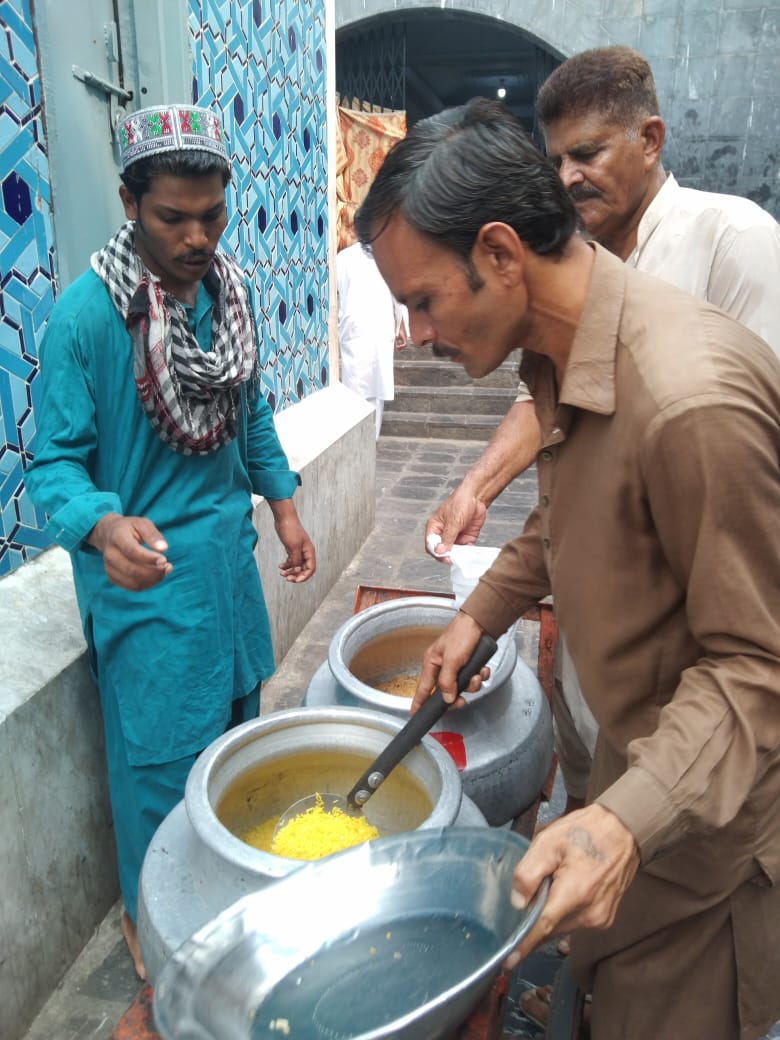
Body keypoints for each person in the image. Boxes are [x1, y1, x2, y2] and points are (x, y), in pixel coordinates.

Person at [354, 97, 780, 1040]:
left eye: (424, 300)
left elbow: (759, 668)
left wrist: (625, 821)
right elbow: (574, 512)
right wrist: (483, 613)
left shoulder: (686, 400)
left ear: (502, 255)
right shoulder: (565, 358)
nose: (415, 335)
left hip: (703, 849)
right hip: (633, 778)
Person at [425, 45, 780, 821]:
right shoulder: (578, 266)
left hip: (696, 705)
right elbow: (565, 449)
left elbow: (736, 448)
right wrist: (478, 500)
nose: (569, 176)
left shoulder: (731, 242)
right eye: (556, 160)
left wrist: (625, 828)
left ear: (651, 140)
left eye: (587, 153)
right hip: (599, 669)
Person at [25, 104, 316, 979]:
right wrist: (104, 525)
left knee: (233, 754)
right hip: (148, 600)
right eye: (172, 217)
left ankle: (223, 903)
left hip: (227, 580)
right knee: (158, 779)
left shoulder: (230, 297)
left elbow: (250, 411)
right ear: (128, 202)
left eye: (212, 216)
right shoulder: (86, 320)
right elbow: (53, 468)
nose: (197, 237)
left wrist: (286, 506)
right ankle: (158, 936)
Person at [336, 240, 407, 438]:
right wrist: (400, 325)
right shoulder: (388, 255)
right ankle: (369, 437)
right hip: (376, 325)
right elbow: (398, 293)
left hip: (356, 326)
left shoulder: (343, 258)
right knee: (375, 385)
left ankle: (358, 437)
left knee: (357, 383)